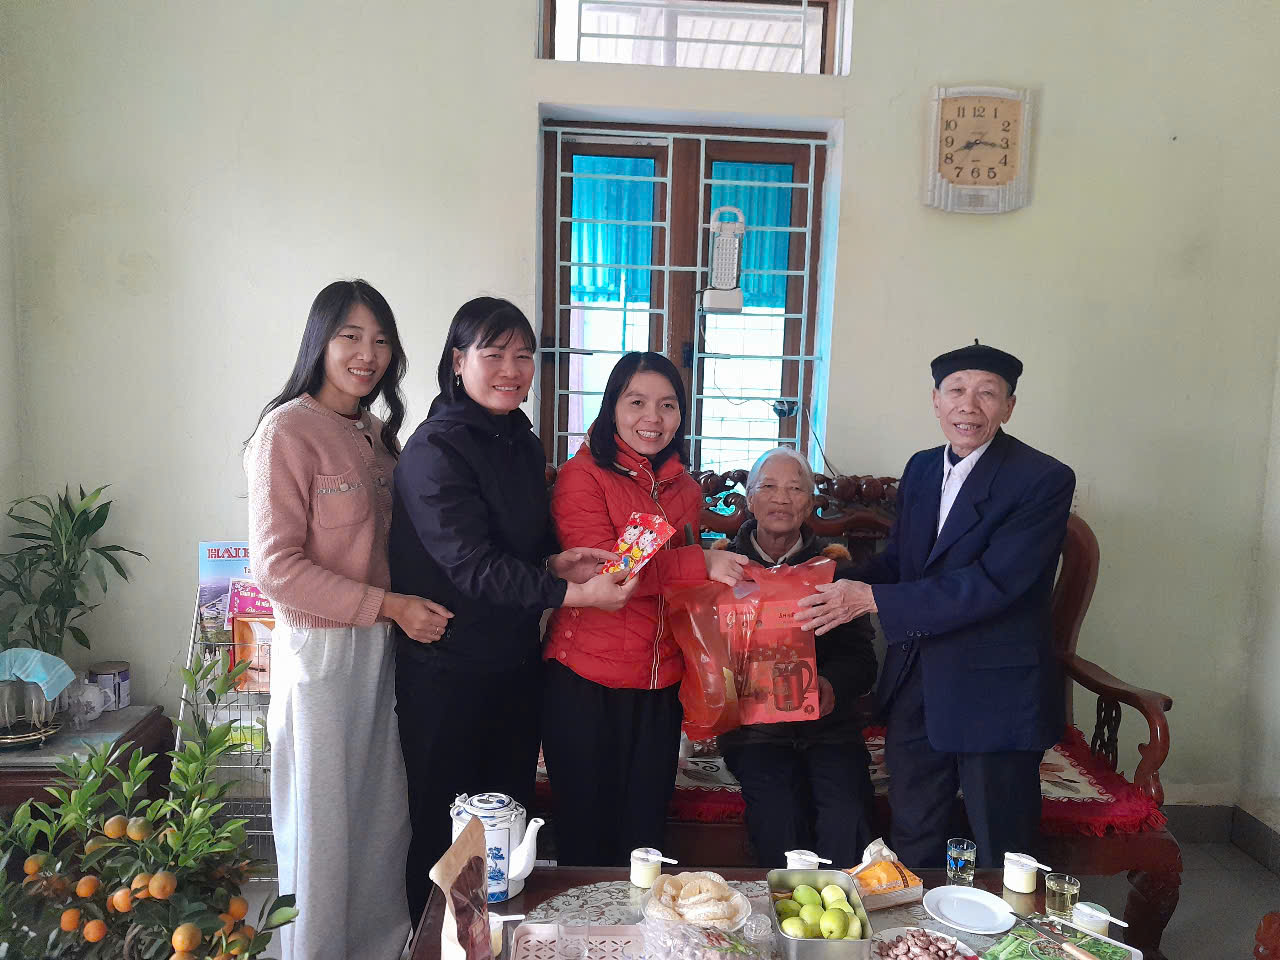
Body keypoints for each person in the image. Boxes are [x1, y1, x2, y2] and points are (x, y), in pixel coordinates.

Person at [389, 297, 636, 922]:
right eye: (493, 354)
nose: (511, 369)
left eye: (523, 355)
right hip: (446, 668)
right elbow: (471, 565)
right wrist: (574, 595)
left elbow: (517, 547)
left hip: (514, 663)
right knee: (446, 827)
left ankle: (498, 938)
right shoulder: (435, 449)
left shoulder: (521, 442)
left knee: (506, 823)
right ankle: (440, 945)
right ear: (457, 361)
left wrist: (557, 563)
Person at [796, 342, 1074, 868]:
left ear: (1009, 406)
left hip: (995, 690)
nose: (968, 405)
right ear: (936, 400)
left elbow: (995, 583)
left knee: (1001, 844)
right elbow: (902, 563)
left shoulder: (1042, 479)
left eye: (987, 393)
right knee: (914, 830)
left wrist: (871, 599)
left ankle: (1002, 923)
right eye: (956, 390)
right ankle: (917, 919)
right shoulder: (923, 469)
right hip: (917, 680)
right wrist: (816, 579)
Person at [246, 279, 451, 960]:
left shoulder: (378, 436)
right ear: (320, 342)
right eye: (351, 336)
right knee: (321, 829)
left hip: (381, 650)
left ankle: (377, 948)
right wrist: (389, 606)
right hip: (320, 656)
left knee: (379, 821)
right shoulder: (285, 431)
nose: (368, 354)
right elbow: (276, 568)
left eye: (381, 340)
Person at [542, 351, 750, 866]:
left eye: (667, 405)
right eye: (636, 402)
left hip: (661, 682)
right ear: (612, 406)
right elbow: (605, 574)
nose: (652, 418)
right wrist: (699, 563)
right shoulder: (582, 476)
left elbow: (679, 585)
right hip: (587, 678)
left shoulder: (686, 489)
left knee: (645, 839)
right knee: (586, 838)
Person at [717, 447, 879, 868]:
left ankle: (842, 907)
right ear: (750, 499)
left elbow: (862, 659)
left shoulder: (835, 571)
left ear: (809, 504)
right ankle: (784, 907)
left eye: (795, 489)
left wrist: (831, 684)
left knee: (847, 813)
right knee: (780, 817)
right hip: (755, 733)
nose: (781, 499)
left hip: (829, 728)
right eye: (768, 487)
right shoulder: (724, 569)